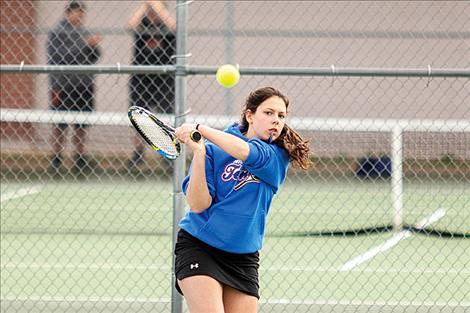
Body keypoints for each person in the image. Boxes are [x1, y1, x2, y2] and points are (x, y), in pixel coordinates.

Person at [173, 87, 312, 313]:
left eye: (281, 116)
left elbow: (243, 150)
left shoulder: (276, 157)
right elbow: (199, 205)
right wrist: (199, 153)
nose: (276, 120)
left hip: (242, 257)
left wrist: (200, 129)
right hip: (200, 246)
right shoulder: (212, 150)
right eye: (268, 113)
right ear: (250, 115)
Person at [47, 0, 101, 174]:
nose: (80, 17)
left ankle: (79, 156)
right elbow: (61, 56)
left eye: (82, 14)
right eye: (77, 13)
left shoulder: (83, 31)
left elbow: (93, 57)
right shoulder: (57, 32)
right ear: (68, 13)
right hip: (63, 85)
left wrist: (94, 47)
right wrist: (85, 45)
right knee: (60, 123)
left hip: (83, 85)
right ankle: (57, 157)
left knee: (81, 122)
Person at [127, 0, 176, 169]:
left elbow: (173, 25)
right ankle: (138, 154)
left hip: (164, 79)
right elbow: (131, 25)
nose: (153, 13)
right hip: (141, 78)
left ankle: (167, 152)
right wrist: (146, 5)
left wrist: (158, 5)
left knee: (166, 116)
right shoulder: (143, 24)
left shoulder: (166, 25)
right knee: (138, 115)